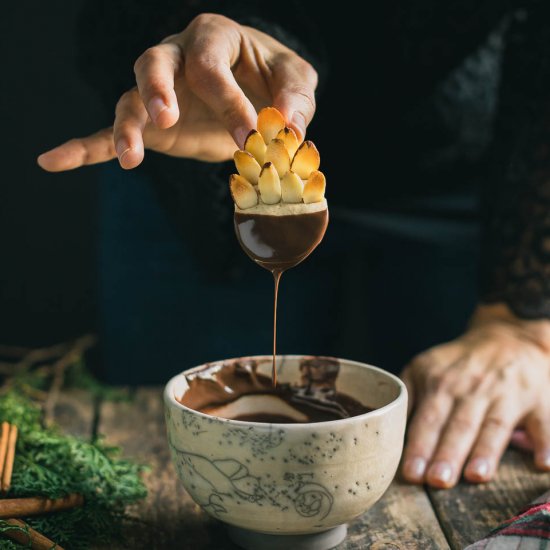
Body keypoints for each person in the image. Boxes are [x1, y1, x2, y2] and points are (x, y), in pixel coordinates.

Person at [37, 2, 550, 490]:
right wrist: (199, 54)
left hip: (485, 180)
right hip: (206, 161)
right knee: (154, 437)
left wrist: (523, 321)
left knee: (444, 432)